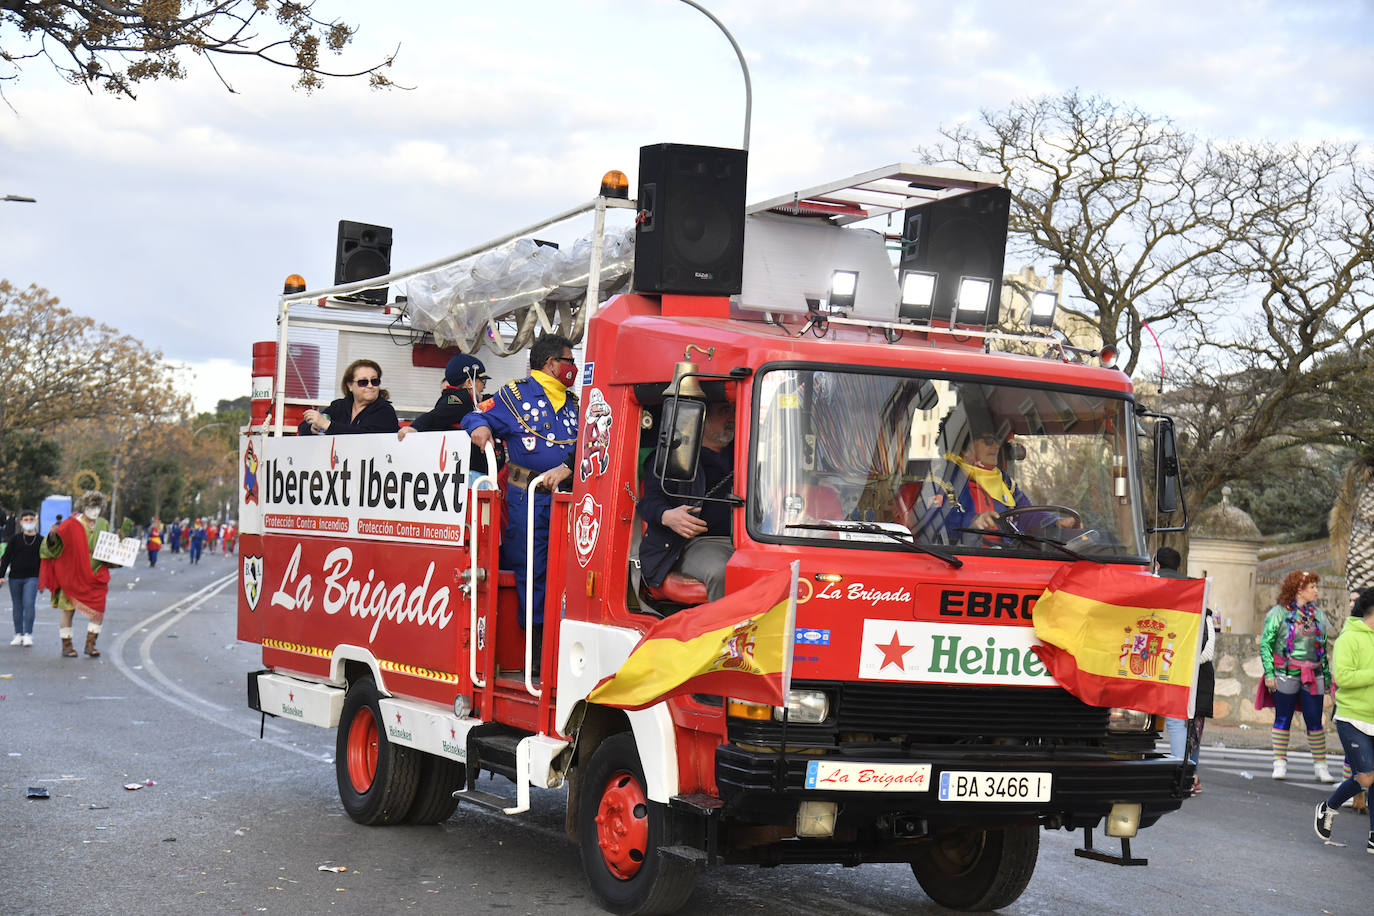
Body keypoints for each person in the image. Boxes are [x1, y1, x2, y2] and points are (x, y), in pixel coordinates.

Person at [461, 334, 578, 669]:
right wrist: (480, 427)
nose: (574, 368)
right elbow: (475, 414)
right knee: (533, 570)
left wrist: (567, 466)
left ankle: (563, 644)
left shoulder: (575, 403)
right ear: (552, 363)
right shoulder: (516, 395)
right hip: (528, 498)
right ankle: (537, 651)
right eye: (569, 361)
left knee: (568, 572)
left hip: (568, 502)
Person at [918, 407, 1078, 544]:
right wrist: (972, 522)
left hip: (1004, 558)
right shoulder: (942, 478)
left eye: (996, 440)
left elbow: (1026, 514)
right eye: (988, 441)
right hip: (960, 562)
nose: (996, 446)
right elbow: (932, 524)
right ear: (964, 449)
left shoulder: (1004, 481)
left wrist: (1054, 522)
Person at [639, 400, 736, 603]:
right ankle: (723, 633)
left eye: (734, 411)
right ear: (700, 417)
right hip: (691, 544)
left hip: (746, 542)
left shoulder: (745, 454)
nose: (732, 417)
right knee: (722, 572)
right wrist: (668, 516)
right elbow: (648, 502)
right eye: (724, 410)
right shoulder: (671, 456)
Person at [1313, 586, 1374, 853]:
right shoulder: (1349, 638)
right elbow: (1345, 678)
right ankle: (1328, 807)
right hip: (1353, 719)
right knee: (1367, 777)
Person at [1259, 570, 1335, 782]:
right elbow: (1266, 643)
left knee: (1315, 721)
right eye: (1312, 587)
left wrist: (1327, 677)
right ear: (1299, 590)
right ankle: (1279, 763)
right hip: (1285, 674)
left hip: (1314, 675)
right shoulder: (1278, 613)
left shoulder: (1318, 615)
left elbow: (1322, 649)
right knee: (1283, 718)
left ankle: (1321, 766)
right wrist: (1269, 672)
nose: (1316, 591)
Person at [38, 490, 130, 658]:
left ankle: (90, 645)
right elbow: (54, 545)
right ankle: (66, 646)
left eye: (97, 507)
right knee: (68, 610)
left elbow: (108, 548)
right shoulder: (70, 524)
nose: (94, 511)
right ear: (83, 507)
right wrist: (52, 536)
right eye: (91, 507)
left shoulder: (103, 524)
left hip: (96, 575)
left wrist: (120, 543)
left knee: (98, 611)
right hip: (72, 574)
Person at [1155, 546, 1215, 794]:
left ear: (1157, 564)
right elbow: (1208, 647)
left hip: (1159, 666)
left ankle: (1182, 776)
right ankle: (1187, 776)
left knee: (1167, 721)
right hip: (1192, 673)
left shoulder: (1150, 585)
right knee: (1186, 724)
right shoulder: (1196, 590)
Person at [399, 352, 500, 481]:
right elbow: (435, 415)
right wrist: (414, 427)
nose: (484, 386)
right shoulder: (459, 399)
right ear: (469, 382)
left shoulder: (463, 399)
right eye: (482, 381)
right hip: (468, 474)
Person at [300, 358, 400, 435]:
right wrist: (313, 427)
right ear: (350, 385)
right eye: (363, 382)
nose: (370, 386)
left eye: (374, 381)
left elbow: (364, 436)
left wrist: (327, 425)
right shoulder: (339, 406)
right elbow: (303, 427)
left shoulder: (385, 411)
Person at [1, 509, 42, 646]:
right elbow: (6, 558)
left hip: (33, 577)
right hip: (15, 577)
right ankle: (18, 633)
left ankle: (28, 634)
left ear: (35, 521)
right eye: (26, 520)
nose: (29, 522)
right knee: (17, 606)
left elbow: (45, 560)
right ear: (21, 522)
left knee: (29, 604)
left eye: (31, 519)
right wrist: (1, 576)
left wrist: (44, 579)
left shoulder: (41, 540)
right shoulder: (15, 539)